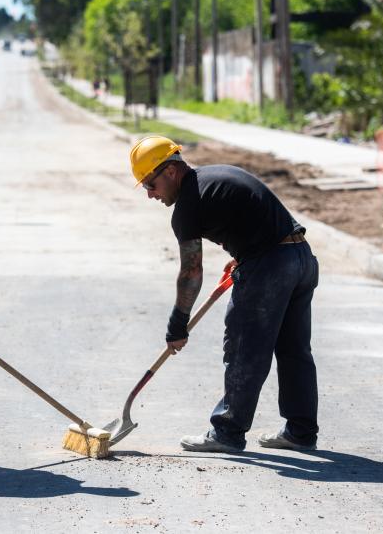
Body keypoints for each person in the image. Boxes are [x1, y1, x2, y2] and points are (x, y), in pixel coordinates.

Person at [129, 135, 319, 453]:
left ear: (170, 171)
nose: (150, 195)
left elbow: (191, 272)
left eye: (150, 185)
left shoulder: (187, 205)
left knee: (244, 348)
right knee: (293, 350)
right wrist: (244, 255)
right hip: (300, 259)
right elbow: (254, 216)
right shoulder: (214, 176)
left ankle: (228, 432)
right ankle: (300, 432)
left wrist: (178, 323)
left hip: (270, 266)